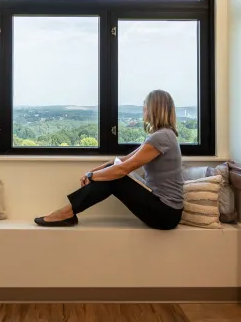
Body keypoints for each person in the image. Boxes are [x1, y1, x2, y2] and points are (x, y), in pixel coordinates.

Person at [34, 89, 184, 230]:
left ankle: (66, 213)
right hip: (163, 207)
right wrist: (91, 172)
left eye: (145, 106)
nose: (143, 109)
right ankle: (68, 212)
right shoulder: (161, 135)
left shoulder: (161, 137)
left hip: (166, 213)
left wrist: (93, 177)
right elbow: (122, 160)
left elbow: (123, 169)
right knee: (114, 168)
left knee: (116, 178)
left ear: (153, 109)